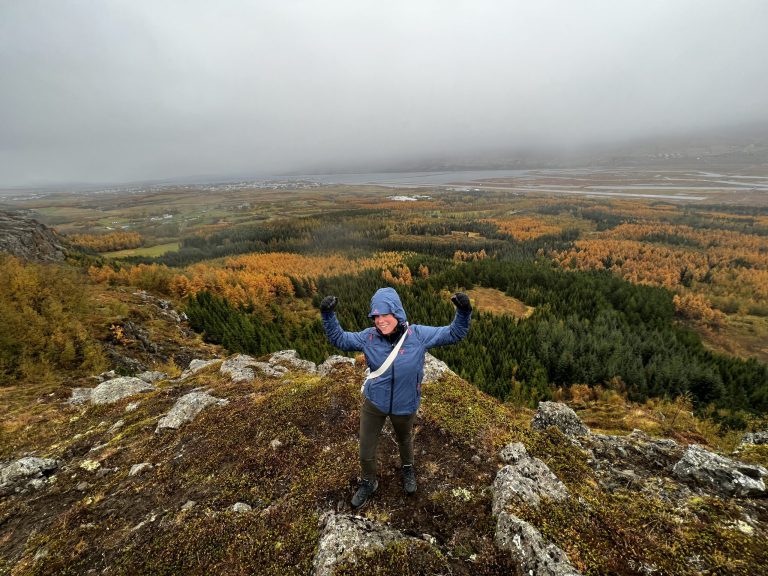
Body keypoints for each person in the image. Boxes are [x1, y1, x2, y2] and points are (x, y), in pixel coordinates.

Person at [320, 287, 472, 508]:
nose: (380, 321)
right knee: (366, 448)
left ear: (397, 313)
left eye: (385, 314)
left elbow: (454, 333)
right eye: (376, 316)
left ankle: (408, 468)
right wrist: (328, 315)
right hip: (375, 402)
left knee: (404, 438)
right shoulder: (368, 337)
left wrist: (464, 311)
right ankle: (368, 482)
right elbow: (340, 339)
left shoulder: (417, 335)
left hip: (405, 404)